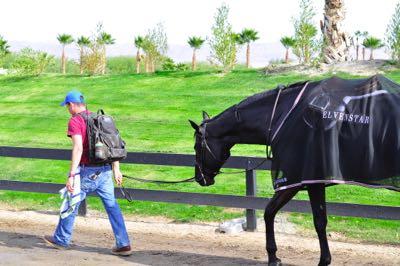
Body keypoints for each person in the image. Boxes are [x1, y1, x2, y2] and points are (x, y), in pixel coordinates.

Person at [43, 90, 132, 256]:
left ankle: (61, 239)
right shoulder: (100, 119)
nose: (67, 109)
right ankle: (124, 243)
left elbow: (78, 148)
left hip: (86, 172)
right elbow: (113, 144)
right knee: (112, 207)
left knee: (71, 202)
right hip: (105, 171)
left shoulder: (75, 121)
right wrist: (116, 169)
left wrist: (71, 175)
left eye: (67, 106)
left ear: (72, 104)